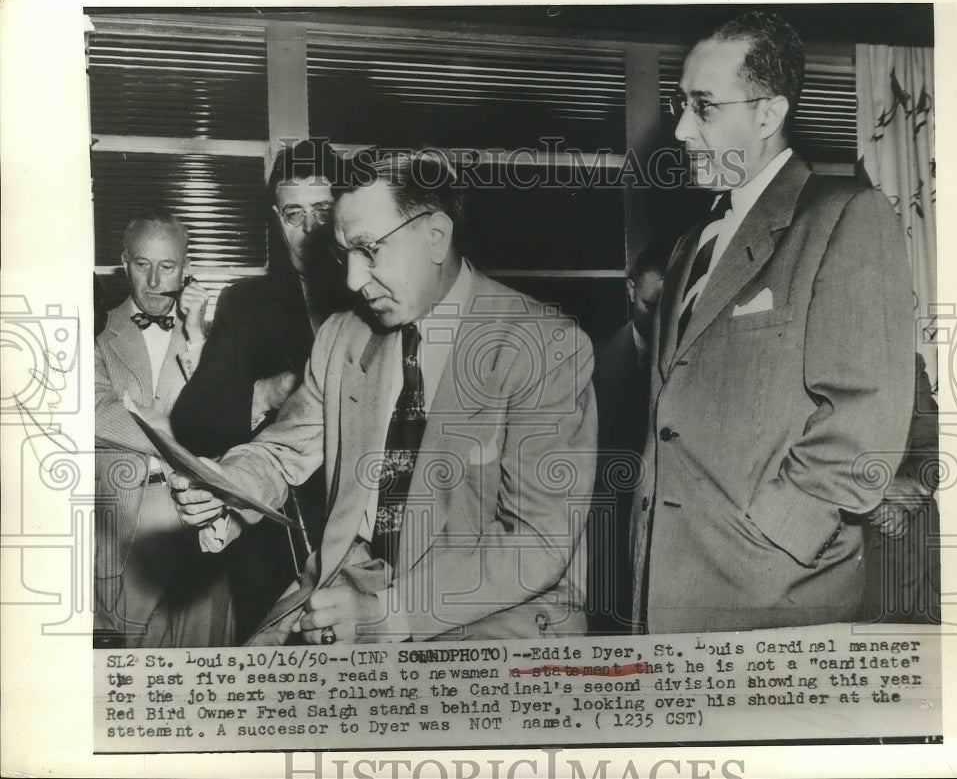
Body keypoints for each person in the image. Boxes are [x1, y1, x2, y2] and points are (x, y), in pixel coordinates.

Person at [170, 148, 597, 644]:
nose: (353, 280)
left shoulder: (544, 346)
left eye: (369, 250)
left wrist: (387, 616)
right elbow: (284, 450)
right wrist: (226, 486)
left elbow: (538, 542)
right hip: (342, 589)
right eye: (344, 253)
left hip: (486, 617)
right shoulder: (344, 337)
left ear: (436, 236)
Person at [631, 11, 915, 634]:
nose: (679, 130)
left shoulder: (847, 217)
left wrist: (778, 534)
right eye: (682, 104)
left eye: (703, 107)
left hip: (774, 592)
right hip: (664, 589)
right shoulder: (690, 245)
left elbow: (863, 421)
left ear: (767, 114)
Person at [171, 140, 351, 640]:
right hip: (272, 549)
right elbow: (193, 416)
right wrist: (270, 392)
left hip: (366, 553)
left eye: (323, 211)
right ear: (276, 218)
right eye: (295, 215)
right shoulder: (245, 302)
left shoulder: (378, 294)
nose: (311, 231)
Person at [94, 207, 233, 647]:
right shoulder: (93, 332)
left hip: (199, 515)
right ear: (124, 262)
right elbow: (95, 413)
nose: (154, 282)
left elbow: (228, 420)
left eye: (167, 266)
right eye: (142, 264)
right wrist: (190, 426)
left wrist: (196, 337)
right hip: (120, 523)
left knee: (201, 662)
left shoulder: (212, 338)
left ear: (186, 269)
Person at [588, 240, 669, 634]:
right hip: (609, 539)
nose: (659, 322)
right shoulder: (591, 365)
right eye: (651, 307)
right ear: (630, 289)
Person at [863, 353, 941, 624]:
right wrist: (876, 486)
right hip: (837, 537)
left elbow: (930, 444)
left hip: (908, 529)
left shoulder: (907, 361)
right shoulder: (803, 355)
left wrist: (904, 501)